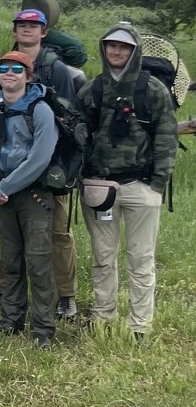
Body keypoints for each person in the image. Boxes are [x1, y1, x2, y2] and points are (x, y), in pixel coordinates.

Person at [77, 23, 179, 343]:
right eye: (111, 46)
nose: (116, 52)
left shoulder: (152, 90)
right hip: (99, 186)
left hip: (142, 185)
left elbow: (166, 136)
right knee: (103, 256)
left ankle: (139, 326)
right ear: (103, 48)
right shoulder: (93, 89)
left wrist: (158, 184)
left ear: (134, 51)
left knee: (141, 259)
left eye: (124, 47)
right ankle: (102, 316)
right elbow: (78, 129)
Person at [0, 6, 80, 322]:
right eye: (21, 25)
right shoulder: (2, 65)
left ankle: (66, 295)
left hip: (52, 167)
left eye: (33, 25)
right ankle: (5, 291)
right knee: (12, 231)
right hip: (9, 166)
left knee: (57, 232)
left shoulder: (57, 68)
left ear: (44, 31)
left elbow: (69, 118)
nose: (26, 30)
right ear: (14, 30)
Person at [0, 52, 57, 349]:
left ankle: (43, 328)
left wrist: (4, 186)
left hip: (34, 193)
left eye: (16, 69)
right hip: (3, 194)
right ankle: (10, 320)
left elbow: (40, 158)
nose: (9, 73)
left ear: (28, 75)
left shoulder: (41, 110)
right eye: (4, 69)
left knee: (38, 261)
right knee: (10, 260)